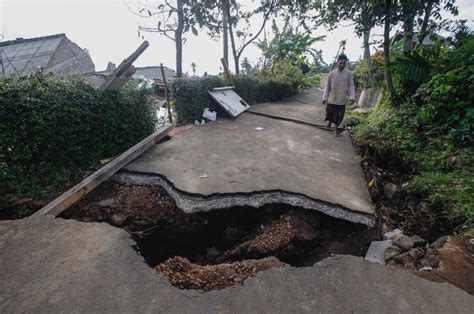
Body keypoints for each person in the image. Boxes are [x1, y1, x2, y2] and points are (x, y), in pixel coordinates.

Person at [322, 54, 355, 136]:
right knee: (330, 113)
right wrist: (324, 98)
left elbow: (351, 85)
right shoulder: (331, 73)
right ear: (337, 62)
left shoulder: (349, 74)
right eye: (341, 63)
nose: (342, 65)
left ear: (346, 63)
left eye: (344, 63)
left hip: (341, 98)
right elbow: (327, 86)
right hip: (331, 98)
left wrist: (352, 97)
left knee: (339, 115)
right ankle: (329, 122)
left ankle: (336, 129)